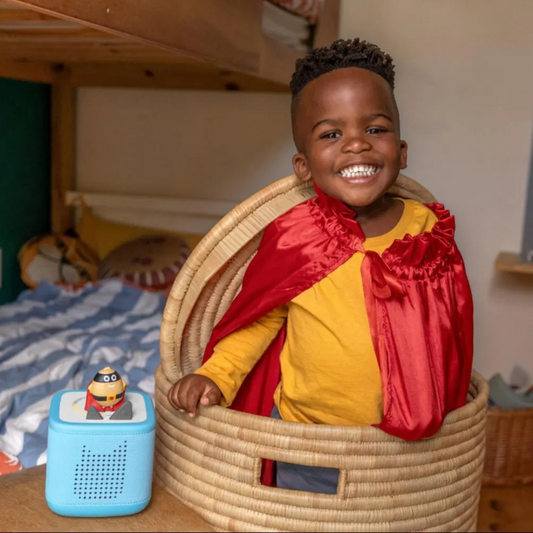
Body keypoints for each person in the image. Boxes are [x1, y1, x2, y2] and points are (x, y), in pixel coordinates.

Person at [168, 38, 474, 494]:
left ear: (402, 151)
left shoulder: (427, 230)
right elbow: (260, 319)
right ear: (303, 166)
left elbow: (449, 326)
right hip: (308, 439)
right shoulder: (298, 235)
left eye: (375, 129)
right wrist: (215, 375)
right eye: (331, 135)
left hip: (402, 452)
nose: (356, 146)